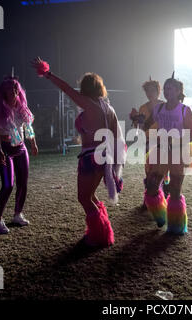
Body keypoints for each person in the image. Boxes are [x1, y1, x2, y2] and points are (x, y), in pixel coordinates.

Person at [32, 57, 126, 247]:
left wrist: (48, 74)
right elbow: (119, 138)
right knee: (90, 196)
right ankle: (100, 231)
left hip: (91, 157)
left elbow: (66, 89)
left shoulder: (89, 105)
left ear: (85, 89)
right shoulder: (109, 108)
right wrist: (116, 164)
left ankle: (99, 236)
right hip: (104, 157)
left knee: (83, 198)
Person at [144, 74, 192, 235]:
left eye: (171, 88)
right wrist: (138, 118)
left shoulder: (185, 110)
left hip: (179, 153)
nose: (167, 91)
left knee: (174, 190)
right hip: (160, 151)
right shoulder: (159, 108)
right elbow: (148, 123)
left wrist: (173, 141)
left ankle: (176, 226)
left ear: (179, 91)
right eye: (165, 89)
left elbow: (190, 136)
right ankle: (160, 216)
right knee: (151, 186)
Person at [0, 76, 39, 234]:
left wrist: (33, 144)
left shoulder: (22, 107)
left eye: (15, 89)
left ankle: (18, 214)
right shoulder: (0, 109)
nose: (13, 92)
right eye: (10, 89)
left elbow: (28, 127)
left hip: (21, 148)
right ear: (4, 92)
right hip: (6, 150)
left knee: (23, 183)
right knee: (7, 185)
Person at [129, 78, 165, 206]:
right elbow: (139, 128)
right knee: (149, 171)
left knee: (160, 173)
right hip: (148, 142)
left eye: (152, 90)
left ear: (158, 91)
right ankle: (149, 200)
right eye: (147, 91)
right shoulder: (143, 108)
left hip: (163, 143)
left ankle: (160, 200)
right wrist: (134, 118)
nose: (150, 93)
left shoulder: (164, 106)